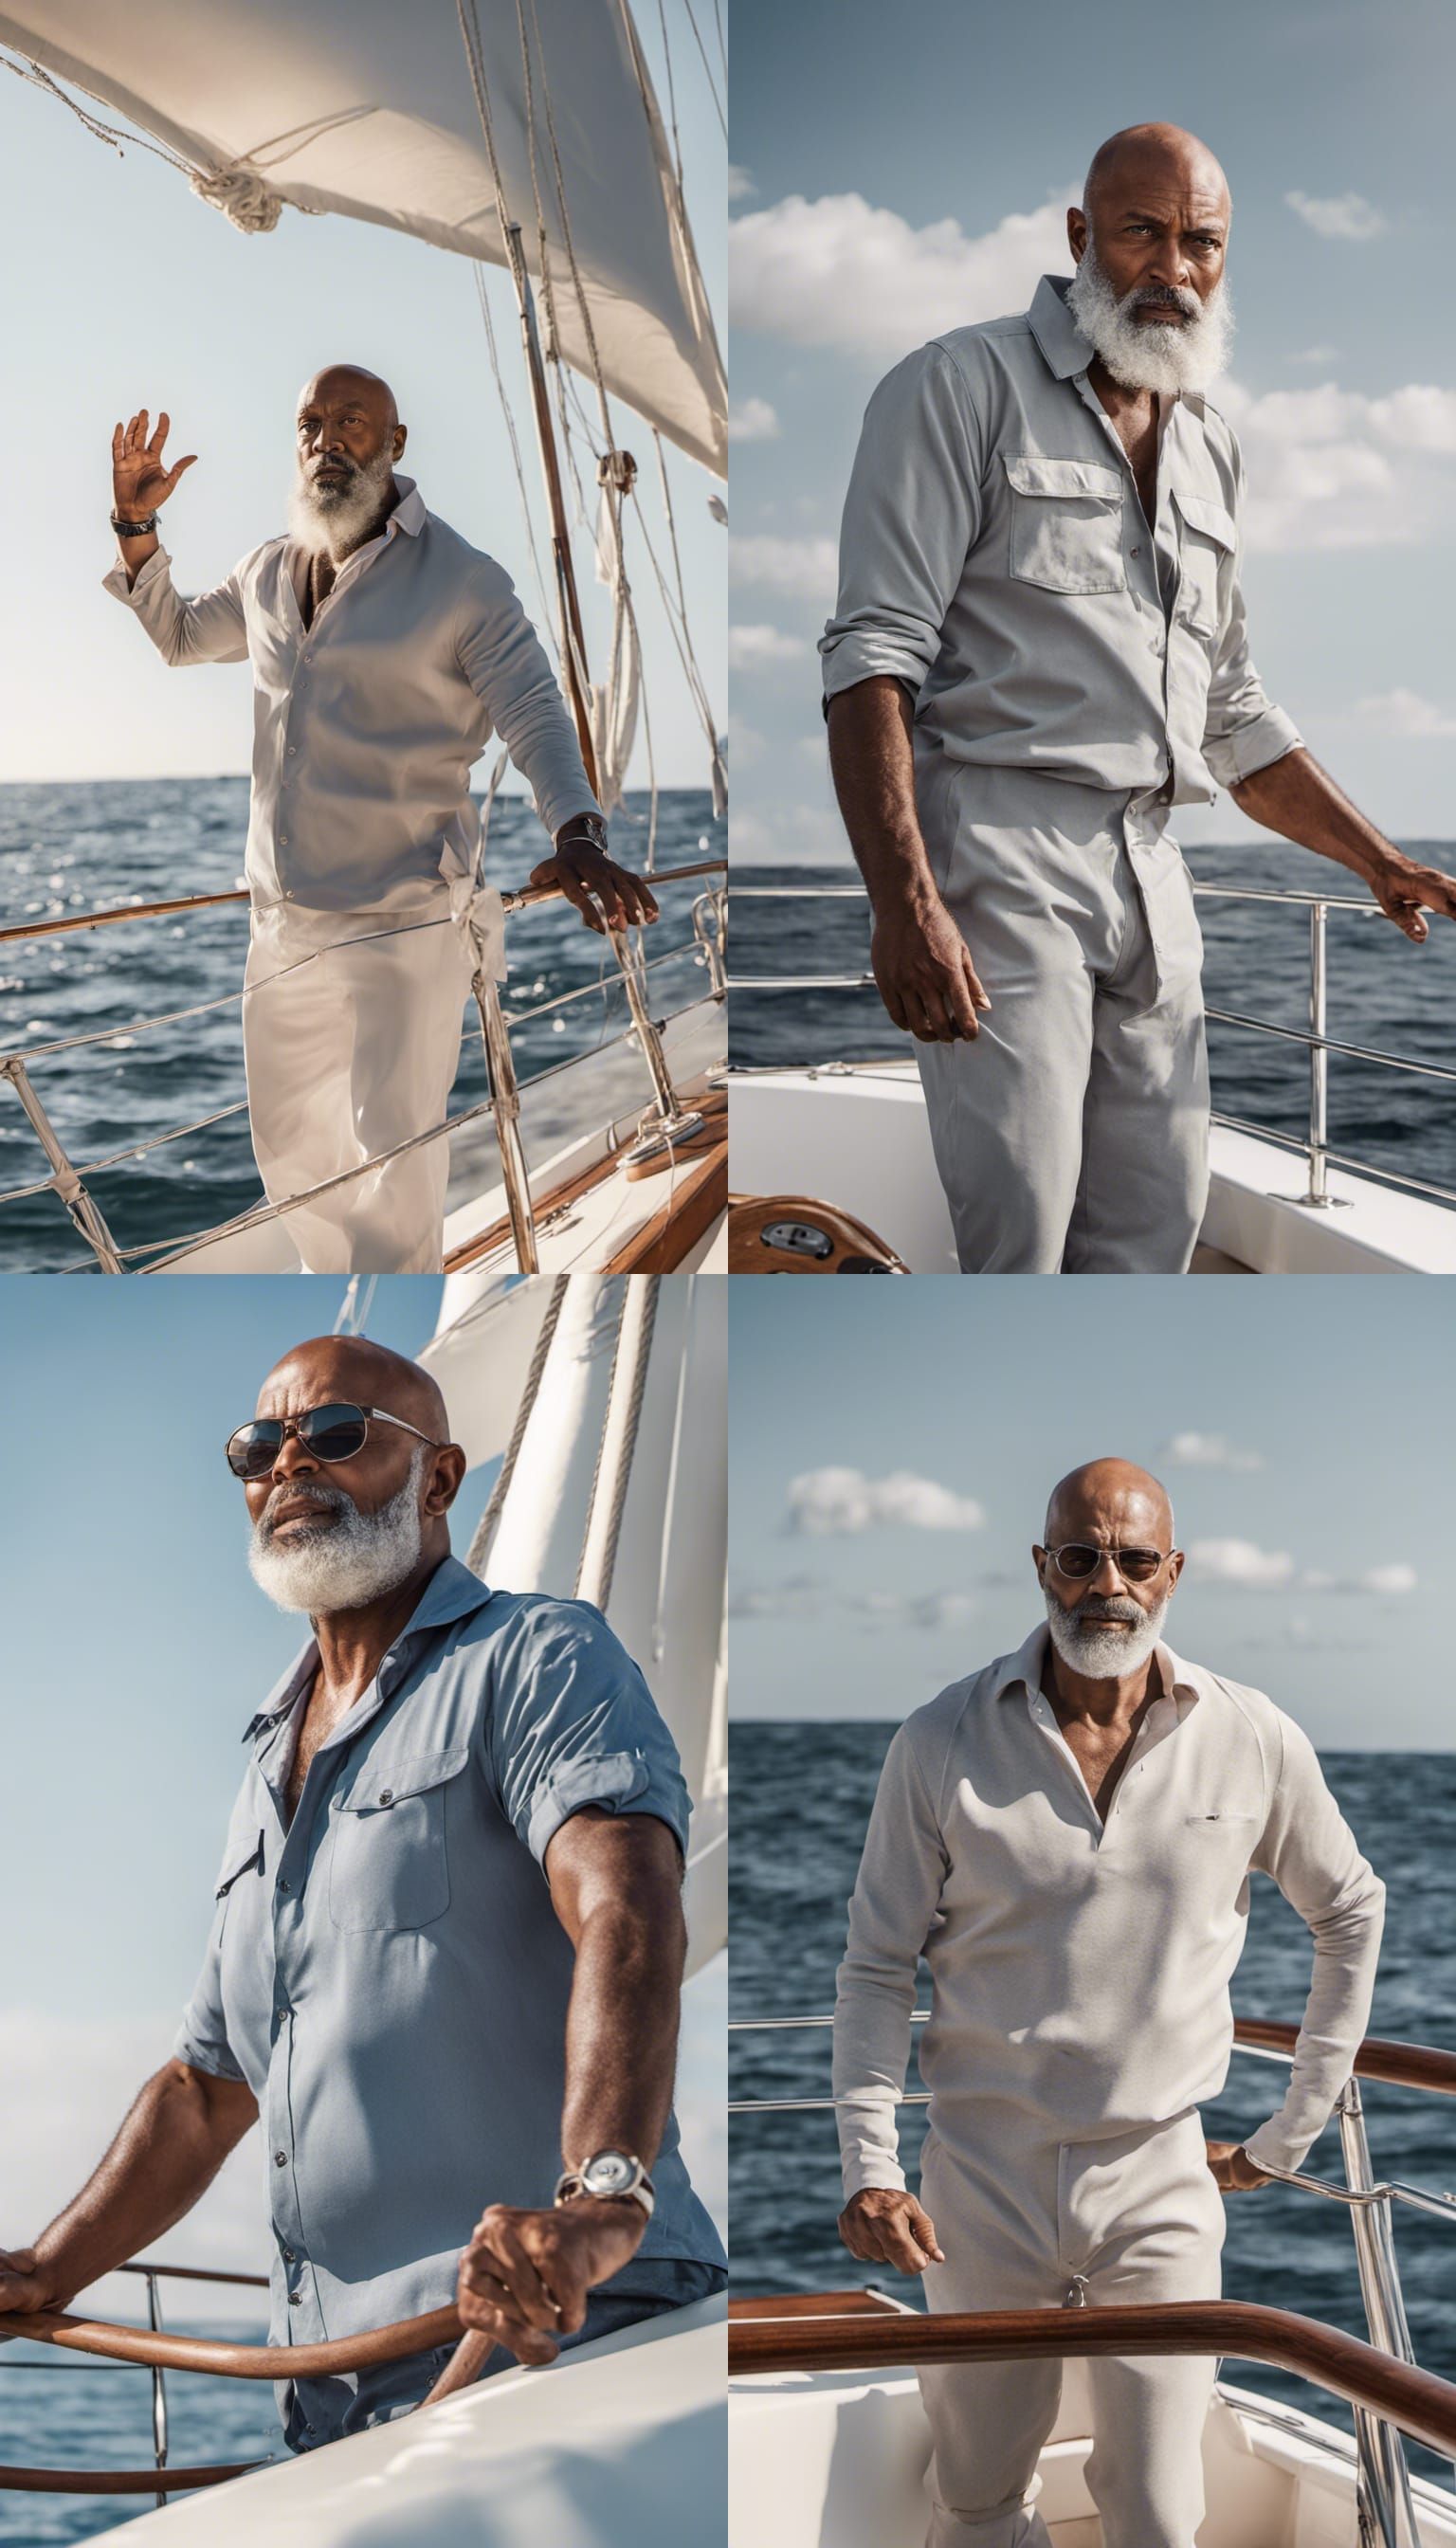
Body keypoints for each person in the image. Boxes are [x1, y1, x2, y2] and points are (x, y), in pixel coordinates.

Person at [0, 1334, 724, 2449]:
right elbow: (206, 2088)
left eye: (336, 1437)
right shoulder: (262, 1759)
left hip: (565, 2336)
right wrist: (46, 2269)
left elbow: (627, 1909)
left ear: (439, 1478)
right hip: (339, 2399)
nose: (290, 1468)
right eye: (260, 1448)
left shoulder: (534, 1656)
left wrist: (603, 2201)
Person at [822, 123, 1456, 1273]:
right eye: (1142, 233)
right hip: (999, 857)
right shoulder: (957, 384)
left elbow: (1233, 712)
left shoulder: (1213, 443)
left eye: (1201, 243)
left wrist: (1378, 862)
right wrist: (904, 904)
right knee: (1017, 1226)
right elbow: (871, 656)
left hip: (1156, 870)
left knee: (1155, 1228)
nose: (1173, 270)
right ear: (1079, 238)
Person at [832, 1457, 1385, 2548]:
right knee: (980, 2499)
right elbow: (875, 1967)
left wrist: (1292, 2133)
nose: (1106, 1586)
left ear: (1173, 1572)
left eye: (1134, 1560)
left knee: (1160, 2511)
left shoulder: (1251, 1734)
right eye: (1080, 1558)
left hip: (1160, 2184)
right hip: (977, 2186)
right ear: (1041, 1566)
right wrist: (870, 2167)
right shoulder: (939, 1739)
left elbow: (1352, 1912)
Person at [104, 368, 660, 1274]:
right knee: (293, 1161)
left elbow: (534, 712)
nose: (327, 440)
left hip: (403, 918)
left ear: (395, 446)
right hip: (282, 922)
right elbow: (176, 636)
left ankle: (389, 1328)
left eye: (352, 423)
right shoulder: (268, 570)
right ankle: (345, 1295)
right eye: (311, 424)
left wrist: (577, 833)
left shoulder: (464, 582)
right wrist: (137, 528)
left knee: (394, 1159)